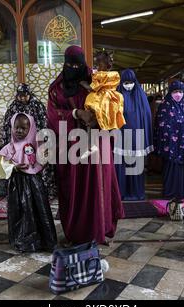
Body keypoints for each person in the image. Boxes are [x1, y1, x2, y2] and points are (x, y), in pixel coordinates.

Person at [47, 45, 124, 245]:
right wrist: (76, 114)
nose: (73, 67)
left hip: (97, 142)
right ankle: (77, 233)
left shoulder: (97, 80)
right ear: (64, 64)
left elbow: (113, 103)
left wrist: (98, 117)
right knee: (74, 188)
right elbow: (53, 116)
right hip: (71, 145)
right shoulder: (57, 89)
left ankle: (100, 229)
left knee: (99, 186)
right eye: (69, 64)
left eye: (77, 64)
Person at [0, 113, 57, 252]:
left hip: (35, 184)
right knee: (21, 211)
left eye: (23, 128)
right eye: (17, 127)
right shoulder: (10, 148)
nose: (19, 131)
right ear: (12, 128)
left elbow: (43, 162)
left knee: (39, 210)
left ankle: (45, 240)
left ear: (30, 128)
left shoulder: (36, 145)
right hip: (17, 184)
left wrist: (44, 159)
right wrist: (14, 167)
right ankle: (23, 240)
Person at [3, 83, 56, 199]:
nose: (22, 98)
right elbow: (7, 125)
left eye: (24, 95)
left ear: (29, 94)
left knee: (38, 165)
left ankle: (41, 191)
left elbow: (43, 123)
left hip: (35, 142)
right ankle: (20, 192)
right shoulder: (13, 107)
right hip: (18, 143)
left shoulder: (37, 106)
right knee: (21, 165)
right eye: (20, 95)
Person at [154, 80, 184, 205]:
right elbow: (161, 125)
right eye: (175, 91)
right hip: (171, 146)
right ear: (170, 92)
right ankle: (171, 191)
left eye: (180, 91)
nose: (178, 94)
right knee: (172, 167)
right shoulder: (165, 105)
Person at [115, 69, 153, 201]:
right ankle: (121, 193)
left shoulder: (141, 96)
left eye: (131, 82)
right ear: (121, 83)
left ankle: (136, 193)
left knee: (136, 167)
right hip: (120, 138)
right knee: (121, 166)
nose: (128, 85)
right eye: (125, 82)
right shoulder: (116, 96)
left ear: (135, 82)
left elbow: (147, 117)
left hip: (137, 138)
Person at [81, 50, 125, 158]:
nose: (96, 66)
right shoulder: (114, 74)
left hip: (101, 97)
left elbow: (93, 87)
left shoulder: (100, 75)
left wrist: (83, 83)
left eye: (98, 63)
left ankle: (91, 144)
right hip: (111, 97)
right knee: (109, 117)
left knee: (93, 116)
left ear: (105, 64)